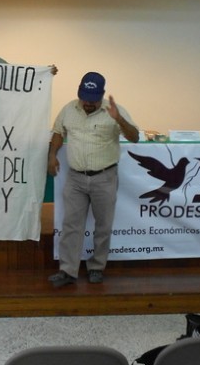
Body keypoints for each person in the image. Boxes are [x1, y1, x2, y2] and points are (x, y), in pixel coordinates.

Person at [47, 72, 139, 287]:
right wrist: (52, 155)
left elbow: (134, 137)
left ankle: (97, 267)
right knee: (71, 225)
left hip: (104, 177)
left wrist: (120, 120)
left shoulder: (114, 111)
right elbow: (59, 132)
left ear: (102, 95)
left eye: (93, 99)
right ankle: (68, 271)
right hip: (76, 178)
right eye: (85, 98)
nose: (88, 103)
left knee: (103, 225)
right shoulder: (70, 109)